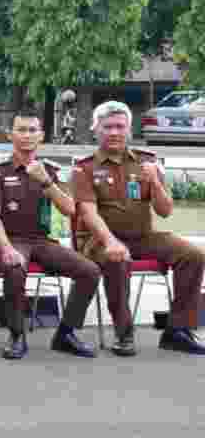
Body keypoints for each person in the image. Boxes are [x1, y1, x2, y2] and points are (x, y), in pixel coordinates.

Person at [71, 100, 205, 356]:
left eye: (120, 126)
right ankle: (124, 334)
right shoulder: (84, 167)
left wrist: (155, 182)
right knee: (118, 258)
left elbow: (165, 211)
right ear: (95, 129)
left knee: (193, 255)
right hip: (98, 241)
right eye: (107, 126)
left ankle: (178, 331)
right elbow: (88, 214)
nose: (114, 132)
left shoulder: (147, 162)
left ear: (129, 130)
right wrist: (111, 242)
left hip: (142, 237)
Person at [0, 106, 99, 360]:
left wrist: (46, 181)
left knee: (89, 271)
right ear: (10, 135)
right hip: (9, 240)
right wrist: (6, 248)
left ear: (41, 135)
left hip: (41, 241)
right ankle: (16, 335)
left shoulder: (50, 170)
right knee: (15, 267)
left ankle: (66, 333)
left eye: (32, 130)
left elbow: (70, 210)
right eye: (21, 130)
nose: (26, 135)